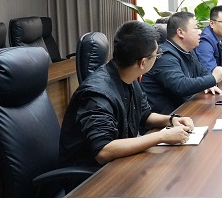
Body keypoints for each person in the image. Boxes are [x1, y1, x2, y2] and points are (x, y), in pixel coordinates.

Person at [60, 20, 196, 169]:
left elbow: (143, 115)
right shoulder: (97, 94)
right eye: (156, 55)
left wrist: (171, 120)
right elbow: (103, 151)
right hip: (91, 176)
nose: (158, 57)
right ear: (142, 62)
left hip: (118, 164)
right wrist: (162, 136)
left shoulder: (127, 76)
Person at [141, 11, 222, 114]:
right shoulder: (164, 56)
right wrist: (213, 78)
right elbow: (180, 86)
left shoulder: (188, 51)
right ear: (180, 32)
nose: (200, 32)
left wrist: (209, 83)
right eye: (196, 28)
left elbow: (203, 72)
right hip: (165, 118)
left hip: (184, 111)